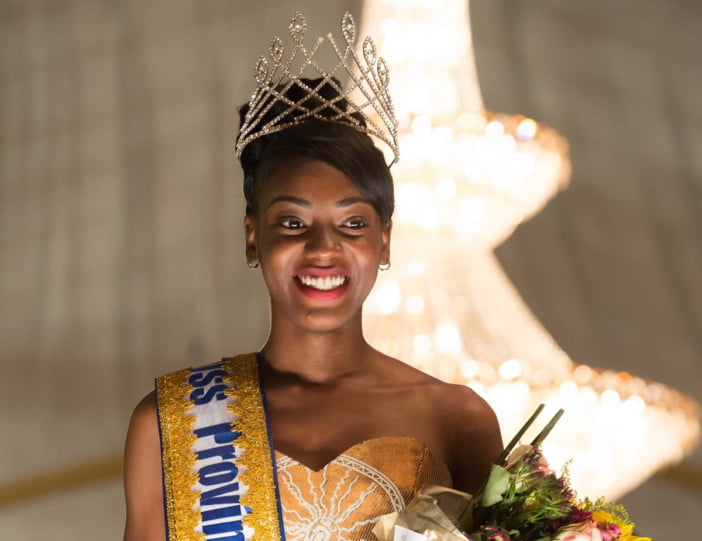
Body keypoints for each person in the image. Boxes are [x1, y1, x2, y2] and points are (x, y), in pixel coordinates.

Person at [123, 12, 502, 541]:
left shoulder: (458, 419)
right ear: (253, 237)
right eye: (293, 222)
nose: (324, 248)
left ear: (383, 240)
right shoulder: (173, 420)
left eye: (353, 224)